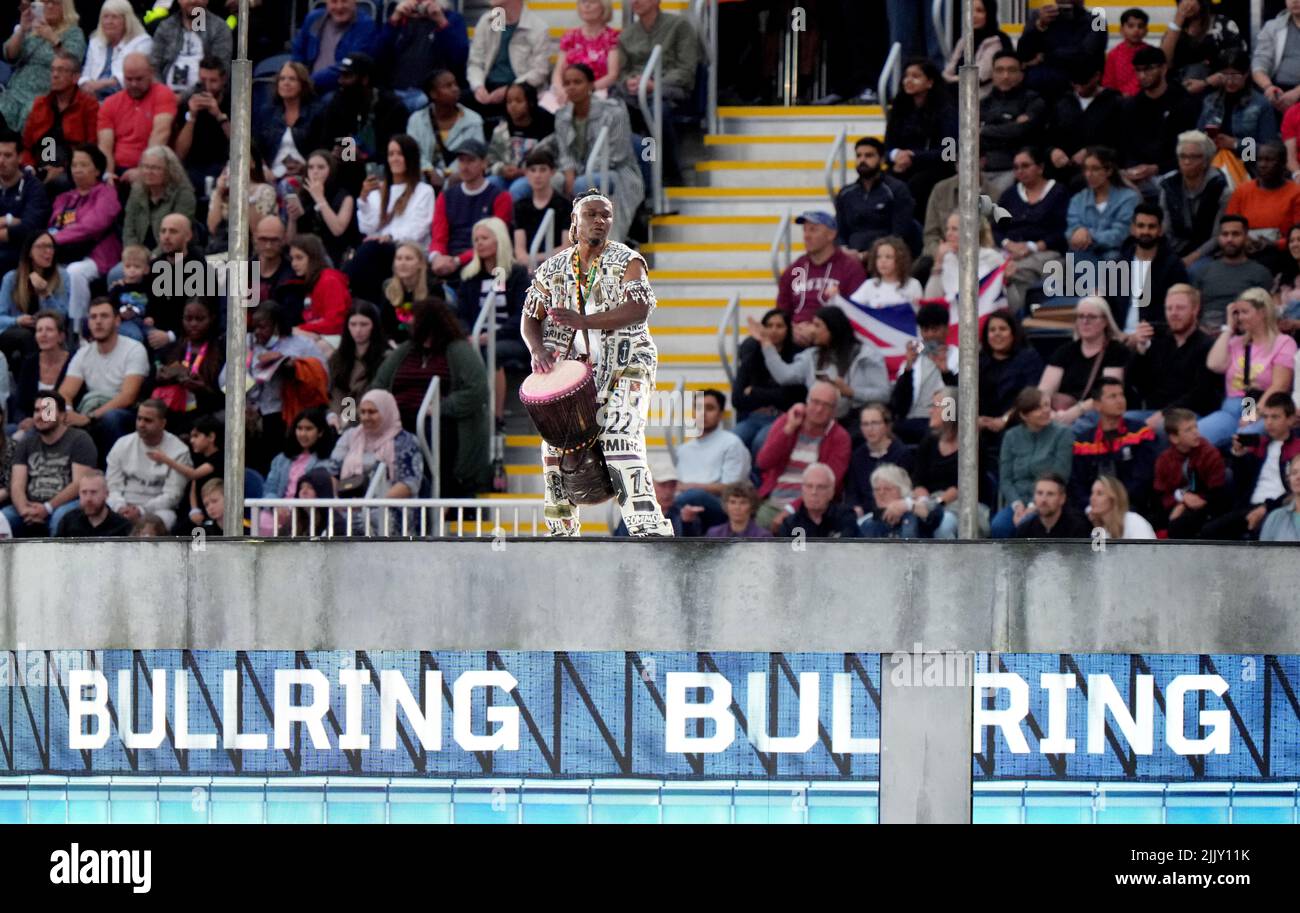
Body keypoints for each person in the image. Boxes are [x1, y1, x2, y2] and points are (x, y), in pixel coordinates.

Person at [521, 189, 672, 535]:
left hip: (629, 362)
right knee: (554, 444)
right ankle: (561, 527)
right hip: (576, 371)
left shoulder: (627, 260)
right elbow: (530, 317)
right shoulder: (553, 268)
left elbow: (639, 308)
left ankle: (645, 524)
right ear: (574, 222)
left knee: (620, 435)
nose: (600, 221)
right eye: (591, 214)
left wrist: (583, 321)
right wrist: (536, 350)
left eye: (606, 215)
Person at [373, 296, 490, 495]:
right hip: (400, 419)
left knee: (435, 433)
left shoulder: (459, 350)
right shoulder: (405, 351)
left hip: (440, 423)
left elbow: (477, 390)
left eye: (415, 318)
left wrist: (440, 407)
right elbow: (379, 385)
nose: (410, 322)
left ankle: (440, 491)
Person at [222, 302, 327, 475]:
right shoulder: (245, 343)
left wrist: (294, 369)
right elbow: (225, 381)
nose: (257, 332)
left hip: (282, 414)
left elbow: (322, 379)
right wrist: (245, 397)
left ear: (277, 325)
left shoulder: (302, 345)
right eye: (254, 327)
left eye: (262, 327)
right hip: (248, 414)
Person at [748, 304, 888, 423]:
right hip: (818, 421)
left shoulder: (866, 356)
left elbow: (884, 394)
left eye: (817, 325)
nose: (812, 330)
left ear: (833, 329)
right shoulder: (812, 356)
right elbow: (784, 376)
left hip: (859, 421)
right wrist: (766, 344)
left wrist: (851, 392)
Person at [553, 63, 644, 243]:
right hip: (579, 171)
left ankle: (593, 242)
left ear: (591, 85)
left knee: (582, 184)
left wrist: (581, 174)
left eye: (577, 82)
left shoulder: (614, 111)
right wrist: (569, 172)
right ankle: (561, 242)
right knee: (553, 182)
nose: (571, 87)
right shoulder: (562, 116)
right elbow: (564, 152)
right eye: (567, 83)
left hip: (618, 171)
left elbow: (617, 155)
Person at [610, 0, 698, 185]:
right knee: (614, 108)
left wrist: (653, 84)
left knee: (656, 110)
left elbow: (685, 70)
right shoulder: (627, 35)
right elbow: (623, 72)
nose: (635, 1)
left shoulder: (679, 25)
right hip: (636, 93)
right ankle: (631, 174)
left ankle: (669, 172)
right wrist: (630, 82)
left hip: (670, 88)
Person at [457, 217, 530, 427]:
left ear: (499, 241)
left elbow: (523, 314)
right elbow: (461, 315)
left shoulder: (516, 274)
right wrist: (468, 334)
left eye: (484, 238)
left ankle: (495, 418)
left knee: (491, 351)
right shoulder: (469, 277)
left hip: (512, 339)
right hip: (476, 337)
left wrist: (491, 336)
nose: (479, 243)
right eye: (476, 239)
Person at [1201, 288, 1298, 447]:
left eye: (1245, 312)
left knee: (1244, 439)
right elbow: (1214, 364)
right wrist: (1228, 329)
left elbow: (1280, 385)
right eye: (1237, 313)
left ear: (1262, 313)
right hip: (1231, 406)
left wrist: (1253, 413)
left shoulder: (1284, 343)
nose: (1239, 317)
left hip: (1264, 407)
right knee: (1198, 436)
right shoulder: (1236, 342)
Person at [1126, 283, 1222, 437]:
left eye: (1180, 308)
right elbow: (1139, 384)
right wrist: (1140, 349)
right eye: (1169, 308)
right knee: (1120, 422)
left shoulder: (1206, 345)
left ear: (1195, 310)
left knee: (1162, 428)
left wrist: (1165, 413)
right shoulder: (1159, 341)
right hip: (1153, 411)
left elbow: (1200, 394)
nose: (1173, 313)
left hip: (1189, 414)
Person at [349, 134, 436, 303]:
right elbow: (367, 228)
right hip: (377, 250)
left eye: (400, 154)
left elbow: (419, 229)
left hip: (408, 249)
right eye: (391, 154)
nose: (394, 159)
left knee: (369, 251)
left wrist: (390, 237)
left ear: (410, 158)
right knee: (367, 251)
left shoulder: (424, 191)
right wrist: (364, 199)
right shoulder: (379, 190)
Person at [754, 381, 851, 529]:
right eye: (815, 402)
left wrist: (790, 510)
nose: (819, 409)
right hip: (775, 500)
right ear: (806, 402)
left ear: (834, 411)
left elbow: (831, 483)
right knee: (754, 536)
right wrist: (788, 429)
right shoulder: (788, 420)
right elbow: (763, 462)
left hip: (813, 507)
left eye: (826, 405)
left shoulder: (840, 437)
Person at [1204, 392, 1300, 540]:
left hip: (1280, 506)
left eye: (1275, 417)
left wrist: (1266, 508)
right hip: (1249, 505)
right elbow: (1241, 483)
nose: (1268, 422)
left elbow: (1293, 490)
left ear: (1291, 419)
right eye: (1265, 417)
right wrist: (1239, 456)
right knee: (1209, 531)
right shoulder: (1259, 444)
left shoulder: (1297, 449)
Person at [58, 296, 148, 454]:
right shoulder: (83, 353)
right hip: (91, 409)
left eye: (104, 316)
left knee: (111, 418)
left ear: (117, 321)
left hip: (125, 413)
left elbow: (128, 396)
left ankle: (113, 474)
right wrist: (68, 412)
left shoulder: (134, 349)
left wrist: (89, 417)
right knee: (46, 420)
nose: (98, 321)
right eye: (93, 317)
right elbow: (65, 392)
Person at [2, 390, 95, 536]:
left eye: (47, 410)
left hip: (65, 504)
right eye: (37, 410)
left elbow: (79, 483)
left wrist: (48, 507)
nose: (40, 415)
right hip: (29, 506)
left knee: (61, 518)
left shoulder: (80, 440)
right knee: (3, 519)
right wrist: (24, 510)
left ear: (63, 415)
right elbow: (17, 484)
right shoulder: (26, 443)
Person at [48, 144, 120, 328]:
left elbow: (92, 226)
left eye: (84, 165)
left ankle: (76, 327)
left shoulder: (106, 193)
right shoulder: (64, 198)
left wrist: (56, 239)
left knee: (75, 272)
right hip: (64, 253)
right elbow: (53, 226)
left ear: (97, 170)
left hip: (96, 255)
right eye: (74, 165)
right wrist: (49, 239)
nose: (77, 170)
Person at [1116, 45, 1202, 198]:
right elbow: (1125, 146)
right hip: (1137, 174)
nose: (1142, 75)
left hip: (1172, 171)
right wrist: (1132, 169)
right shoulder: (1130, 105)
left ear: (1163, 69)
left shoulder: (1183, 102)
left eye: (1148, 69)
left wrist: (1156, 168)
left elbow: (1188, 148)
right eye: (1138, 70)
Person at [991, 387, 1075, 538]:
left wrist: (1032, 506)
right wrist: (1017, 505)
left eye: (1047, 405)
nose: (1046, 411)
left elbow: (1060, 474)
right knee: (999, 526)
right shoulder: (1011, 436)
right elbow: (1005, 479)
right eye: (1038, 408)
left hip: (1047, 500)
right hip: (1017, 501)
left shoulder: (1063, 434)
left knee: (1028, 525)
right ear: (1024, 415)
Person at [1068, 377, 1159, 516]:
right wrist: (1090, 506)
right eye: (1112, 396)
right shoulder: (1083, 442)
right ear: (1097, 405)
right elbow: (1076, 483)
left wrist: (1115, 503)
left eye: (1121, 395)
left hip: (1132, 508)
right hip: (1092, 512)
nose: (1120, 400)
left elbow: (1144, 476)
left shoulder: (1140, 432)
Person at [321, 53, 409, 194]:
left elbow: (398, 151)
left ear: (365, 79)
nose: (340, 81)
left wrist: (363, 157)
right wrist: (334, 153)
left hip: (382, 171)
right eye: (341, 76)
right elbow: (327, 141)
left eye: (347, 76)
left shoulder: (392, 107)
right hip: (345, 173)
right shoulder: (337, 102)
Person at [996, 146, 1069, 314]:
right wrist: (1009, 244)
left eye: (1025, 166)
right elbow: (996, 229)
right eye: (1016, 167)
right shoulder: (1010, 195)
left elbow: (1062, 231)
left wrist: (1032, 247)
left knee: (1014, 274)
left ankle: (1017, 323)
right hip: (1010, 251)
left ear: (1040, 168)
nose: (1020, 171)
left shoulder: (1058, 192)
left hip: (1045, 253)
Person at [426, 140, 514, 280]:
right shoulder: (446, 196)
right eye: (461, 161)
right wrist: (437, 257)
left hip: (483, 261)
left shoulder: (500, 197)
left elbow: (498, 240)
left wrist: (458, 260)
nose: (465, 167)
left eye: (471, 161)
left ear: (484, 163)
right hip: (449, 259)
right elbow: (438, 236)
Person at [1039, 297, 1128, 431]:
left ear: (1105, 321)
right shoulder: (1065, 351)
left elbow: (1109, 393)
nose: (1085, 321)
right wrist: (1049, 413)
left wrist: (1074, 413)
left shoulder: (1116, 351)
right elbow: (1043, 391)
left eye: (1092, 317)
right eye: (1080, 316)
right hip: (1060, 413)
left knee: (1075, 429)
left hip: (1096, 412)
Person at [326, 388, 425, 508]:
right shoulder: (350, 436)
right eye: (362, 412)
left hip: (391, 511)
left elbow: (410, 483)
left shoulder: (405, 441)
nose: (366, 417)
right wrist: (340, 503)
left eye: (372, 412)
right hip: (348, 509)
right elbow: (333, 472)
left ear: (386, 411)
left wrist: (373, 505)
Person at [668, 389, 751, 531]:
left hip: (721, 507)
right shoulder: (683, 449)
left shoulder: (731, 443)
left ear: (720, 415)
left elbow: (731, 488)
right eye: (698, 408)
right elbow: (678, 487)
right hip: (687, 506)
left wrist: (691, 487)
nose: (703, 413)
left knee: (694, 496)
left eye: (710, 408)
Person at [0, 0, 85, 135]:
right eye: (45, 2)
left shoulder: (73, 33)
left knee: (34, 113)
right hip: (15, 91)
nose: (49, 6)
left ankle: (44, 155)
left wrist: (52, 38)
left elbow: (72, 62)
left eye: (55, 3)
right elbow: (9, 55)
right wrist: (22, 29)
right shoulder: (33, 29)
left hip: (45, 94)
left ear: (65, 8)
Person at [1106, 202, 1191, 338]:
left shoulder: (1173, 266)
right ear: (1133, 229)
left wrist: (1143, 336)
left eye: (1151, 227)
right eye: (1141, 226)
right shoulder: (1117, 264)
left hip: (1156, 341)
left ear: (1160, 230)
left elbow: (1178, 309)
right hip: (1119, 340)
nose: (1145, 231)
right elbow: (1109, 306)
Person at [104, 398, 191, 529]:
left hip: (157, 509)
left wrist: (141, 510)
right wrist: (120, 507)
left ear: (163, 423)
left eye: (148, 420)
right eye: (139, 419)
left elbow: (173, 495)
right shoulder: (122, 444)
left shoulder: (179, 450)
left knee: (167, 519)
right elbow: (112, 485)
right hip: (122, 505)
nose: (141, 424)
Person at [885, 58, 957, 212]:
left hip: (936, 168)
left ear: (930, 82)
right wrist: (895, 155)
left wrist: (913, 156)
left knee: (913, 187)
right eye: (906, 76)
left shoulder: (946, 111)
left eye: (915, 76)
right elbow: (887, 148)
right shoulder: (899, 110)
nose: (908, 81)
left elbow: (948, 153)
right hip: (903, 166)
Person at [20, 50, 98, 189]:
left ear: (75, 77)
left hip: (70, 168)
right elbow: (26, 145)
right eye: (53, 70)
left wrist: (65, 169)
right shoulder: (41, 103)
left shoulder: (89, 105)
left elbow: (91, 147)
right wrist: (30, 166)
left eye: (61, 70)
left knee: (58, 182)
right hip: (39, 164)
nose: (55, 75)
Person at [776, 211, 865, 331]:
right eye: (805, 230)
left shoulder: (850, 268)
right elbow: (782, 311)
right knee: (751, 344)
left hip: (832, 334)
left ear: (831, 235)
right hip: (795, 333)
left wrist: (817, 330)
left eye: (813, 230)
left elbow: (856, 313)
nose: (806, 236)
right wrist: (793, 329)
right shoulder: (795, 269)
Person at [96, 53, 177, 184]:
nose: (133, 84)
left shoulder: (163, 94)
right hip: (118, 169)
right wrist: (108, 174)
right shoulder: (110, 103)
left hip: (154, 167)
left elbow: (160, 134)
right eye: (129, 79)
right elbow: (105, 146)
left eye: (139, 79)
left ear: (151, 73)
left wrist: (144, 170)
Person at [731, 308, 805, 452]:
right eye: (769, 326)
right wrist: (773, 395)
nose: (773, 330)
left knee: (761, 442)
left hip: (783, 418)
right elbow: (737, 399)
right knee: (732, 440)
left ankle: (758, 476)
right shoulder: (752, 356)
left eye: (779, 326)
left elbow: (790, 397)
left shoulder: (798, 357)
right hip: (753, 417)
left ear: (788, 329)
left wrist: (754, 391)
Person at [465, 0, 552, 120]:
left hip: (520, 89)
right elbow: (475, 62)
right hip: (487, 86)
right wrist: (478, 86)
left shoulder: (537, 27)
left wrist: (510, 90)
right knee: (456, 102)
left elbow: (540, 71)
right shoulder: (489, 21)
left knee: (520, 105)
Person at [1157, 131, 1229, 273]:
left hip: (1206, 252)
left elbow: (1217, 236)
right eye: (1183, 156)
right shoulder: (1168, 185)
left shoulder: (1221, 189)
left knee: (1193, 271)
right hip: (1173, 248)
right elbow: (1165, 227)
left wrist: (1191, 257)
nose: (1187, 162)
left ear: (1206, 160)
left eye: (1194, 157)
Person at [1046, 57, 1123, 191]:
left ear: (1097, 76)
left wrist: (1091, 152)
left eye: (1084, 83)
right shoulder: (1062, 103)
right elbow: (1047, 137)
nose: (1080, 88)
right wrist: (1052, 151)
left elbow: (1120, 141)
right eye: (1075, 83)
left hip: (1100, 167)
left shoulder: (1114, 102)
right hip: (1064, 168)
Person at [150, 298, 224, 434]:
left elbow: (228, 398)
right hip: (174, 412)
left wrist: (204, 389)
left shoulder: (222, 351)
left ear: (212, 318)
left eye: (200, 319)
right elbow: (150, 385)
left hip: (207, 415)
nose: (193, 324)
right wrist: (161, 378)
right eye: (188, 319)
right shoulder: (171, 349)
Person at [835, 137, 915, 260]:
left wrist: (865, 256)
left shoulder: (896, 190)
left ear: (882, 159)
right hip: (851, 260)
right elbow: (840, 232)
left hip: (886, 259)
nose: (862, 160)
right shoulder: (845, 193)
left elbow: (900, 235)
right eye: (859, 156)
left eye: (869, 156)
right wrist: (843, 249)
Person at [1154, 407, 1229, 538]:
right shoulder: (1164, 460)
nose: (1196, 433)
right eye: (1188, 430)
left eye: (1195, 427)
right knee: (1149, 520)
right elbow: (1161, 493)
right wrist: (1180, 500)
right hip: (1174, 505)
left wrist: (1184, 504)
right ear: (1174, 438)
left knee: (1180, 525)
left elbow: (1217, 493)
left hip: (1205, 506)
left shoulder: (1210, 454)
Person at [382, 1, 470, 113]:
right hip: (396, 91)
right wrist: (393, 21)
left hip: (431, 94)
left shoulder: (451, 19)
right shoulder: (397, 20)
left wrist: (441, 22)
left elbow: (459, 59)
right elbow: (378, 58)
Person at [980, 53, 1047, 199]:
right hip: (983, 168)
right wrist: (1011, 125)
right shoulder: (983, 104)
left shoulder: (1033, 100)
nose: (1005, 76)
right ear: (992, 74)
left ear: (1021, 74)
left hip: (1014, 169)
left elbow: (1022, 131)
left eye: (1011, 70)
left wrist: (984, 129)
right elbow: (972, 134)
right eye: (999, 70)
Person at [260, 406, 336, 535]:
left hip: (307, 512)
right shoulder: (281, 459)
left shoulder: (327, 462)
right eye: (299, 428)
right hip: (279, 510)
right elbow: (269, 490)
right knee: (264, 519)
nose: (303, 434)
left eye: (308, 429)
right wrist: (275, 505)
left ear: (320, 432)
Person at [977, 309, 1045, 452]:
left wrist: (1005, 419)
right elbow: (962, 394)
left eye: (1002, 329)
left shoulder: (1028, 358)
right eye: (992, 330)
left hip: (1017, 422)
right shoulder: (978, 361)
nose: (997, 334)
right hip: (980, 425)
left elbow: (1032, 397)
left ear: (1013, 333)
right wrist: (975, 419)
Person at [0, 232, 70, 370]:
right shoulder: (11, 278)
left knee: (41, 336)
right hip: (14, 333)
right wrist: (17, 321)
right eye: (42, 247)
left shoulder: (62, 276)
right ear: (29, 252)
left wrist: (46, 294)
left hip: (47, 332)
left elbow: (62, 317)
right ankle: (33, 377)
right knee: (25, 336)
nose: (48, 251)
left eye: (51, 247)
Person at [405, 69, 486, 188]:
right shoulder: (416, 120)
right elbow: (413, 152)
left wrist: (445, 175)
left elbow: (475, 153)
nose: (455, 89)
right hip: (424, 178)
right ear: (433, 93)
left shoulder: (473, 120)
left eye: (455, 84)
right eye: (448, 86)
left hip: (460, 177)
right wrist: (429, 171)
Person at [889, 303, 957, 444]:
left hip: (945, 420)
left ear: (946, 329)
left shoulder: (959, 356)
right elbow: (899, 406)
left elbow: (961, 397)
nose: (930, 335)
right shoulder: (912, 361)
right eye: (925, 330)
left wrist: (945, 372)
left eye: (935, 329)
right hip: (911, 420)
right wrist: (908, 369)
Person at [1193, 216, 1276, 330]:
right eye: (1225, 234)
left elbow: (1267, 315)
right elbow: (1193, 312)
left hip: (1247, 336)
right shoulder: (1203, 271)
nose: (1229, 239)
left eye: (1235, 234)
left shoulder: (1260, 273)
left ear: (1246, 237)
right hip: (1207, 336)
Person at [1016, 0, 1107, 103]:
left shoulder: (1098, 20)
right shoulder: (1039, 17)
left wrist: (1045, 57)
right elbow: (1022, 53)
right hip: (1038, 90)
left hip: (1079, 87)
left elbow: (1087, 53)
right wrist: (1039, 26)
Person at [170, 56, 231, 203]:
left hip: (224, 164)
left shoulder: (233, 100)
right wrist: (191, 116)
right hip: (193, 166)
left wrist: (219, 115)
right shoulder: (189, 101)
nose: (208, 87)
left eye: (213, 81)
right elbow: (180, 153)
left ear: (223, 80)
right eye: (203, 80)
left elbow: (242, 144)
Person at [1200, 50, 1279, 163]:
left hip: (1247, 165)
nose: (1230, 81)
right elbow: (1197, 139)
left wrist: (1235, 144)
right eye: (1225, 75)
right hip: (1213, 163)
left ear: (1246, 74)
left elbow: (1270, 151)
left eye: (1235, 75)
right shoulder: (1210, 101)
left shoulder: (1261, 104)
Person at [923, 211, 1010, 315]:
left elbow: (1007, 301)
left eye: (954, 229)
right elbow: (930, 300)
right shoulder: (947, 259)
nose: (948, 234)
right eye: (947, 229)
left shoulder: (993, 259)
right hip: (952, 321)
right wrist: (938, 263)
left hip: (986, 319)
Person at [255, 62, 326, 186]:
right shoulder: (267, 113)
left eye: (292, 79)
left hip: (307, 175)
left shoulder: (317, 113)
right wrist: (265, 171)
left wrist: (307, 167)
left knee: (287, 186)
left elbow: (324, 150)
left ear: (302, 85)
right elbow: (255, 149)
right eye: (282, 79)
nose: (286, 83)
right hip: (271, 176)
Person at [1065, 146, 1140, 263]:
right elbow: (1071, 231)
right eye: (1086, 169)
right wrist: (1076, 233)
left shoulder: (1129, 198)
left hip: (1116, 258)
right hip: (1081, 255)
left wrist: (1089, 236)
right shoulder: (1078, 199)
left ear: (1109, 171)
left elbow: (1121, 234)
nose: (1089, 174)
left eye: (1095, 169)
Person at [291, 0, 382, 95]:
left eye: (344, 1)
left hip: (341, 88)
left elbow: (351, 66)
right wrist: (297, 76)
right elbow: (298, 51)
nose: (339, 7)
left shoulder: (366, 26)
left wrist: (309, 82)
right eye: (334, 2)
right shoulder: (314, 18)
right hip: (306, 86)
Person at [285, 150, 356, 270]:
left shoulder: (344, 197)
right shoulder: (303, 196)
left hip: (332, 254)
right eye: (311, 167)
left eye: (321, 167)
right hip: (303, 256)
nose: (315, 172)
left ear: (331, 170)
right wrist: (292, 220)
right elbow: (291, 241)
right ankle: (254, 289)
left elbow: (337, 229)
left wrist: (320, 198)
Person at [842, 401, 915, 517]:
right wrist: (854, 508)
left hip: (895, 512)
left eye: (875, 423)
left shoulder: (901, 453)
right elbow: (852, 492)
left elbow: (906, 491)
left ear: (887, 426)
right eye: (865, 424)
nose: (870, 429)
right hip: (864, 514)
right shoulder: (857, 456)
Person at [487, 82, 555, 202]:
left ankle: (512, 221)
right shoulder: (500, 130)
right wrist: (502, 169)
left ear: (530, 103)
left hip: (532, 176)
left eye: (518, 101)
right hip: (504, 175)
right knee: (491, 183)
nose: (513, 106)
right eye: (509, 102)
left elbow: (550, 160)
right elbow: (490, 161)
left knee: (517, 189)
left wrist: (525, 171)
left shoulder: (545, 130)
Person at [148, 0, 231, 98]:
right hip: (165, 100)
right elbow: (154, 67)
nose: (193, 1)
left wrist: (181, 98)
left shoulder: (219, 29)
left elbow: (219, 73)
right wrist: (164, 95)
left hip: (204, 99)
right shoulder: (165, 27)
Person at [1225, 140, 1300, 247]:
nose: (1262, 165)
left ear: (1283, 163)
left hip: (1283, 253)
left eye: (1269, 160)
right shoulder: (1242, 191)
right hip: (1244, 251)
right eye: (1259, 160)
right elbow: (1229, 227)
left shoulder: (1296, 193)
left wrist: (1274, 244)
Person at [327, 301, 387, 432]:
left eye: (364, 324)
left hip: (373, 418)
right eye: (353, 324)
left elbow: (378, 394)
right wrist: (336, 416)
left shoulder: (385, 358)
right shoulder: (338, 358)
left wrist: (347, 418)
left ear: (374, 326)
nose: (358, 330)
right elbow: (339, 391)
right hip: (345, 416)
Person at [122, 145, 196, 252]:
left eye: (155, 168)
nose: (149, 172)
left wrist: (153, 258)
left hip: (173, 255)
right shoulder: (137, 191)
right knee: (116, 270)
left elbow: (177, 236)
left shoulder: (183, 194)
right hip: (139, 258)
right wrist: (134, 255)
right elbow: (129, 229)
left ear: (169, 171)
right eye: (145, 167)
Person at [1165, 0, 1244, 95]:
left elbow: (1236, 65)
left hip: (1214, 90)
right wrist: (1177, 22)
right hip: (1180, 89)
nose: (1187, 3)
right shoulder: (1176, 29)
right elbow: (1164, 63)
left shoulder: (1222, 24)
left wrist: (1204, 83)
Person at [0, 130, 51, 278]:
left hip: (20, 251)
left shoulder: (34, 187)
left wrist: (11, 225)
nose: (1, 161)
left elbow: (29, 228)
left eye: (7, 156)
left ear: (20, 157)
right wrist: (11, 221)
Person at [80, 0, 152, 102]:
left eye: (114, 17)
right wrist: (85, 84)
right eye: (105, 17)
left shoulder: (142, 42)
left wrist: (103, 84)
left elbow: (138, 76)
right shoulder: (95, 41)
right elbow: (86, 72)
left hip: (127, 98)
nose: (109, 21)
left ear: (126, 20)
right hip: (93, 98)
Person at [549, 0, 621, 102]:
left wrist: (585, 90)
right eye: (583, 1)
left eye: (593, 2)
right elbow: (558, 72)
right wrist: (560, 89)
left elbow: (613, 75)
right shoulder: (569, 36)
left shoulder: (612, 37)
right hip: (567, 91)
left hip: (598, 92)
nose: (587, 5)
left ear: (604, 7)